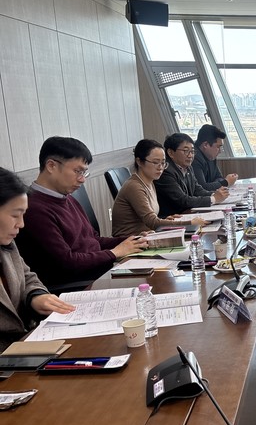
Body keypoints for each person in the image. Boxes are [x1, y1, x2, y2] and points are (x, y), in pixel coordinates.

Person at [15, 137, 147, 290]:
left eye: (85, 172)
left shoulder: (67, 198)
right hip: (75, 286)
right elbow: (67, 262)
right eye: (78, 171)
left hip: (99, 274)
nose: (82, 179)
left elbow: (94, 240)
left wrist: (133, 240)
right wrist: (114, 253)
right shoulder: (33, 208)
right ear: (51, 166)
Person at [0, 167, 76, 346]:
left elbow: (27, 278)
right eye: (15, 215)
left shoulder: (6, 245)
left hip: (24, 346)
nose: (21, 224)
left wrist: (35, 297)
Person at [112, 139, 208, 236]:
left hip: (146, 236)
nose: (160, 167)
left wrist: (164, 219)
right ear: (139, 162)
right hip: (129, 240)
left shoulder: (150, 182)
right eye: (155, 162)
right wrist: (190, 223)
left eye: (163, 163)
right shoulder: (134, 186)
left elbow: (151, 219)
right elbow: (152, 222)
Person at [155, 133, 229, 218]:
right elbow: (183, 200)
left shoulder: (188, 167)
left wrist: (216, 194)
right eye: (186, 151)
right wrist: (214, 199)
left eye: (192, 151)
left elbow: (197, 190)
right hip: (171, 219)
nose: (190, 155)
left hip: (186, 214)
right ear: (171, 153)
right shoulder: (165, 171)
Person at [193, 124, 238, 191]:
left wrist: (219, 183)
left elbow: (219, 177)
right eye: (218, 147)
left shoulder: (210, 156)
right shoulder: (193, 158)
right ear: (205, 145)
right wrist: (226, 182)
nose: (220, 151)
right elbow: (202, 188)